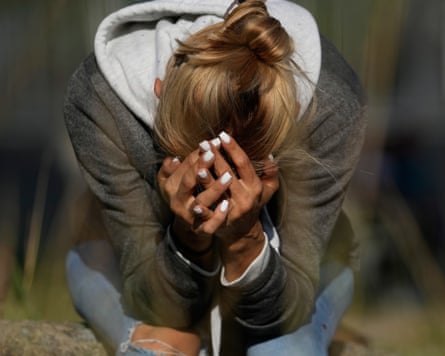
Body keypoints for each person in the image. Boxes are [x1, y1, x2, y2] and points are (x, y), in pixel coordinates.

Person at [64, 0, 366, 355]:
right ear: (157, 93)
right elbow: (154, 304)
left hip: (297, 280)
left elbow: (289, 312)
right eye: (183, 159)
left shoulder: (331, 105)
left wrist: (246, 242)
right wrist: (187, 235)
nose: (215, 191)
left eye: (240, 170)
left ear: (291, 120)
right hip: (143, 276)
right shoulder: (100, 100)